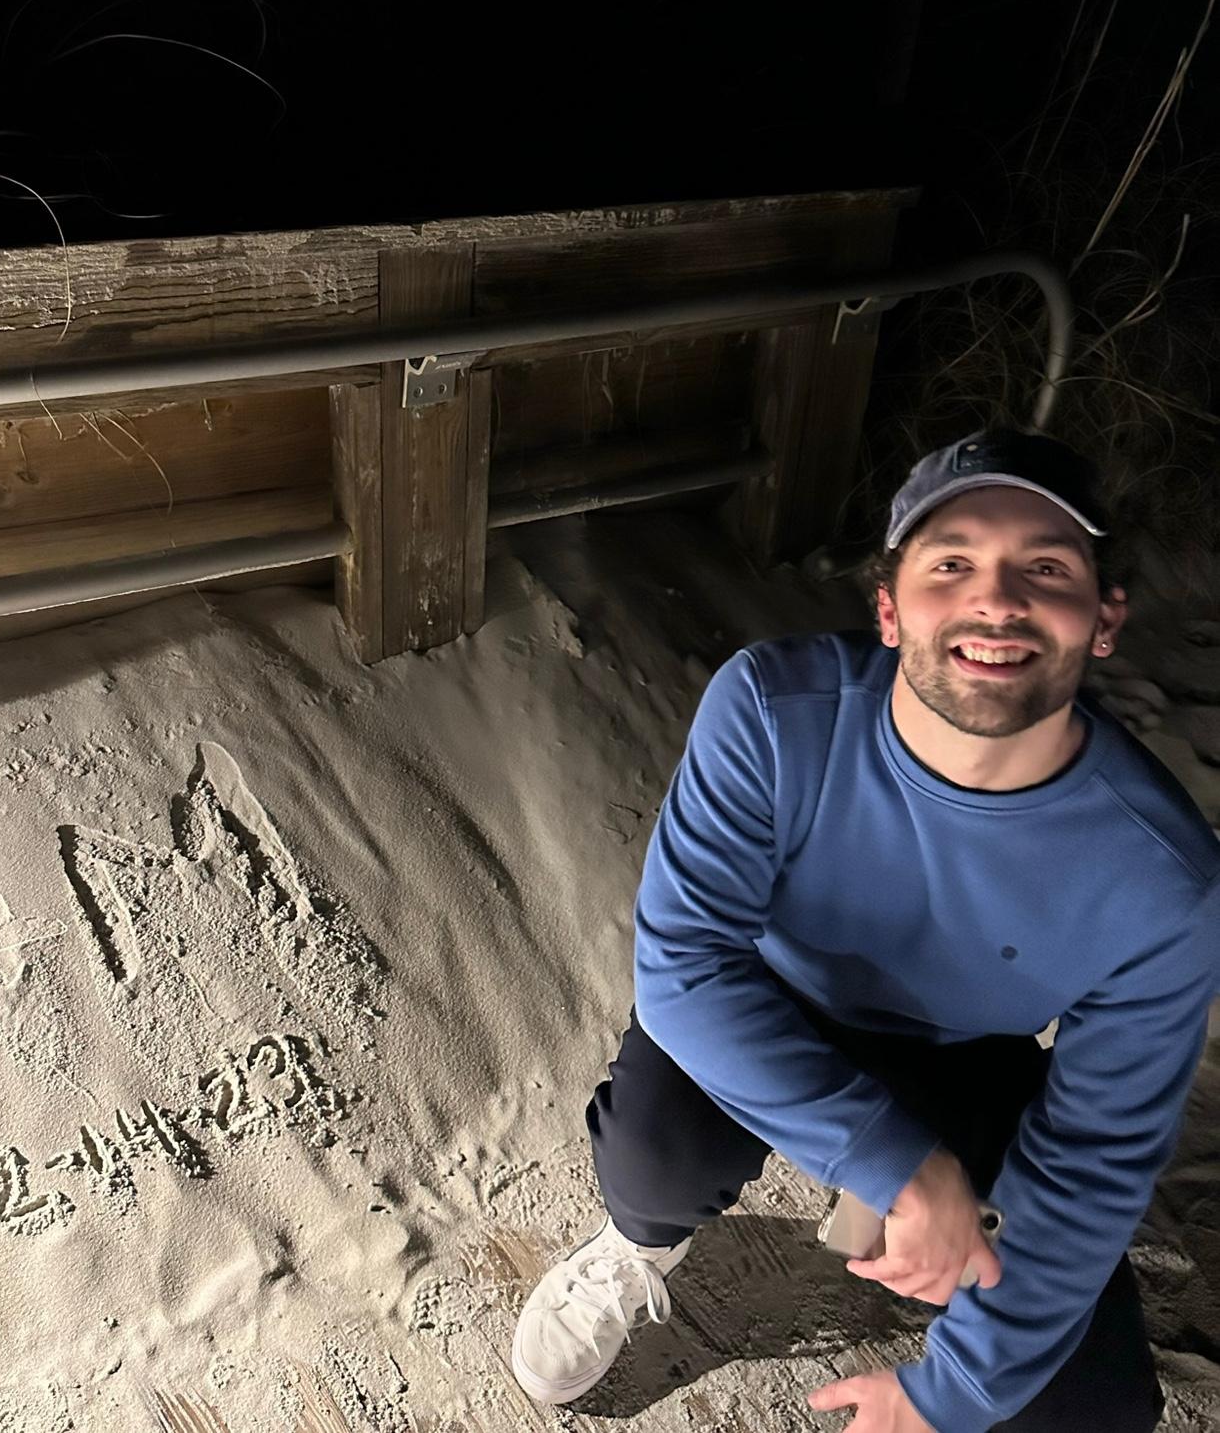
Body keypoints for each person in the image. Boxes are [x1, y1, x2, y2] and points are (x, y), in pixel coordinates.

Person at [510, 429, 1220, 1431]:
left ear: (1104, 617)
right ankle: (638, 1245)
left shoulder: (1164, 878)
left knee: (1088, 1407)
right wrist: (893, 1163)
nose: (996, 599)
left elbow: (1093, 1160)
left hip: (969, 1055)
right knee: (652, 1158)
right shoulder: (771, 711)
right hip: (775, 995)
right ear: (889, 609)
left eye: (1047, 568)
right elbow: (685, 968)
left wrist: (954, 1394)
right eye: (952, 564)